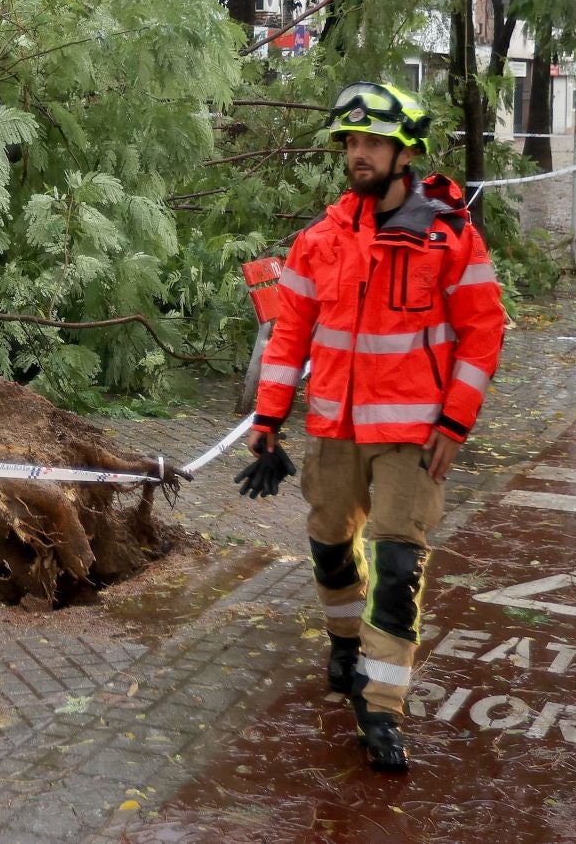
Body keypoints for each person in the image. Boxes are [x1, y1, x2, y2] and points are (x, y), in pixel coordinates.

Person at [241, 80, 506, 773]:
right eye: (351, 143)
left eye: (372, 143)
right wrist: (267, 420)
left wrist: (455, 421)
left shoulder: (448, 238)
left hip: (414, 438)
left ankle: (381, 709)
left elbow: (484, 332)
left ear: (404, 151)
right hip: (332, 428)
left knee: (396, 566)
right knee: (330, 547)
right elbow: (288, 336)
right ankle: (345, 643)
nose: (358, 154)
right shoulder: (318, 242)